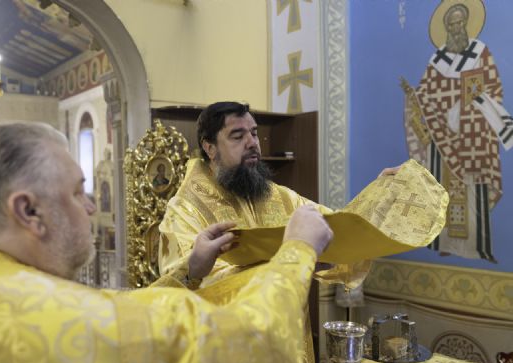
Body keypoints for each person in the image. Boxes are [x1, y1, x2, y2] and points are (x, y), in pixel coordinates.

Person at [0, 122, 333, 363]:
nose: (91, 207)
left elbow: (113, 308)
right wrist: (299, 249)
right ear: (29, 211)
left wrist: (189, 271)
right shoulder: (47, 317)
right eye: (78, 192)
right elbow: (244, 343)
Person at [159, 101, 382, 289]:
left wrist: (379, 195)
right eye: (237, 136)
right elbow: (191, 283)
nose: (252, 143)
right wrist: (292, 263)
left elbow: (336, 228)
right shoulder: (185, 210)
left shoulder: (281, 197)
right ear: (210, 148)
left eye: (254, 133)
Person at [401, 1, 512, 261]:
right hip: (442, 140)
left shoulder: (480, 52)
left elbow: (494, 89)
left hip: (474, 135)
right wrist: (413, 96)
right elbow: (425, 94)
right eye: (452, 24)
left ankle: (477, 247)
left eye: (461, 22)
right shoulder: (437, 60)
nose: (457, 27)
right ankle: (445, 242)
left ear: (467, 23)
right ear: (446, 27)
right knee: (444, 189)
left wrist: (469, 107)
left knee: (474, 187)